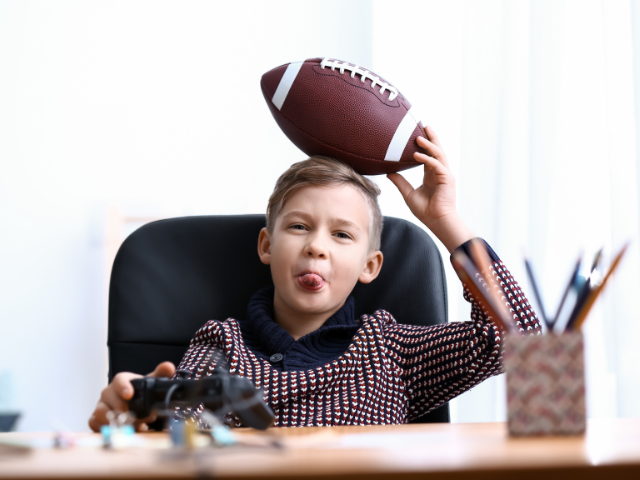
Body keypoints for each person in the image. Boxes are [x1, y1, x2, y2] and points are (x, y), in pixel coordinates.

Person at [89, 126, 540, 431]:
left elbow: (517, 338)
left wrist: (445, 220)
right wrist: (140, 411)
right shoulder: (221, 345)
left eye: (342, 234)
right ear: (267, 245)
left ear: (370, 267)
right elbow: (180, 424)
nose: (316, 246)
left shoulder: (392, 352)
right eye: (300, 227)